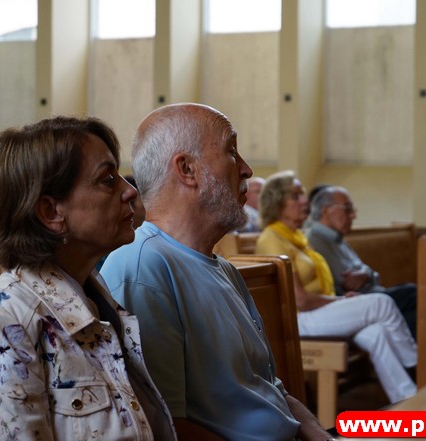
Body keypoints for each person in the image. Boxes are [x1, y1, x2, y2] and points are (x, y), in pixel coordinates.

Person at [101, 103, 332, 441]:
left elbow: (269, 389)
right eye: (232, 152)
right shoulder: (143, 267)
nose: (247, 170)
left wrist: (320, 434)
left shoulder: (223, 268)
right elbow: (164, 426)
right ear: (187, 169)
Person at [0, 116, 176, 441]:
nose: (130, 191)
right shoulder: (1, 325)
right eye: (108, 179)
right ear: (51, 212)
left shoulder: (96, 296)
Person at [255, 170, 417, 405]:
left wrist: (341, 300)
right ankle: (420, 366)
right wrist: (342, 301)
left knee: (378, 333)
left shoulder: (296, 237)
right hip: (299, 319)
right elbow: (300, 300)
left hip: (317, 312)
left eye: (303, 194)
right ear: (277, 201)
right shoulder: (271, 239)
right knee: (382, 303)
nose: (305, 201)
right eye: (296, 196)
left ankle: (409, 400)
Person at [306, 186, 417, 339]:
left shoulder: (337, 238)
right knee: (414, 294)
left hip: (373, 295)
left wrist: (365, 275)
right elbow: (345, 282)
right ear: (326, 211)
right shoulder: (314, 240)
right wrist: (366, 275)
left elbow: (370, 273)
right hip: (357, 303)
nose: (353, 215)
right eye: (347, 209)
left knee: (416, 304)